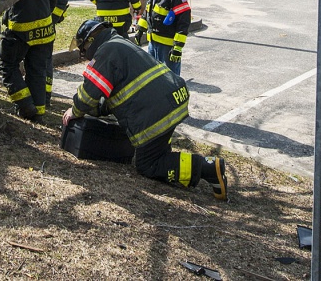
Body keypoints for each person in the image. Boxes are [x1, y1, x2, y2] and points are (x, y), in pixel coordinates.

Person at [65, 18, 229, 200]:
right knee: (157, 152)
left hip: (156, 110)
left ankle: (208, 167)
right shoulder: (119, 43)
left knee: (148, 164)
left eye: (84, 48)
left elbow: (88, 94)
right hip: (171, 98)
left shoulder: (106, 52)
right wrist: (96, 110)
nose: (84, 53)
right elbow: (112, 97)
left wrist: (75, 110)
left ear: (90, 41)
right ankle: (192, 164)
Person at [136, 0, 190, 75]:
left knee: (171, 78)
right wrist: (140, 30)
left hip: (168, 46)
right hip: (152, 43)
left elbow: (183, 21)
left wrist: (178, 47)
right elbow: (148, 13)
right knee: (155, 77)